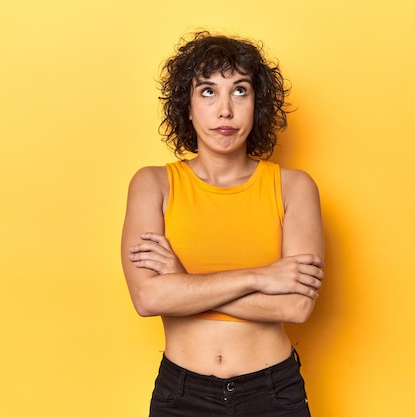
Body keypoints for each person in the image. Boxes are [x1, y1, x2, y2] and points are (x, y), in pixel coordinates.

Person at [120, 31, 325, 417]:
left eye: (240, 91)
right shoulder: (153, 184)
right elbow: (148, 299)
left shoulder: (294, 187)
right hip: (181, 394)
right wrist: (261, 277)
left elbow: (296, 306)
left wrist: (182, 283)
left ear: (258, 103)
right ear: (188, 105)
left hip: (273, 392)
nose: (225, 110)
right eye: (208, 91)